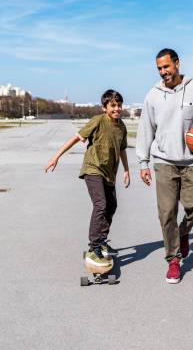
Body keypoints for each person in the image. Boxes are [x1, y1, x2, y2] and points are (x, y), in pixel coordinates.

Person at [136, 48, 193, 283]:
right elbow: (146, 130)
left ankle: (184, 231)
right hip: (163, 161)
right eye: (159, 69)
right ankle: (173, 260)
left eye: (166, 66)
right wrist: (143, 162)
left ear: (177, 64)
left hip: (192, 161)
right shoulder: (153, 95)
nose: (163, 72)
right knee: (166, 213)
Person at [45, 89, 130, 267]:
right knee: (101, 204)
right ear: (104, 107)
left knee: (112, 206)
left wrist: (126, 170)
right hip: (93, 169)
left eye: (119, 105)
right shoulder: (97, 121)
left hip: (109, 173)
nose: (117, 108)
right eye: (113, 105)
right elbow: (76, 138)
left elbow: (122, 149)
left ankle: (102, 241)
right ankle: (93, 249)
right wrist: (56, 156)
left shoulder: (121, 126)